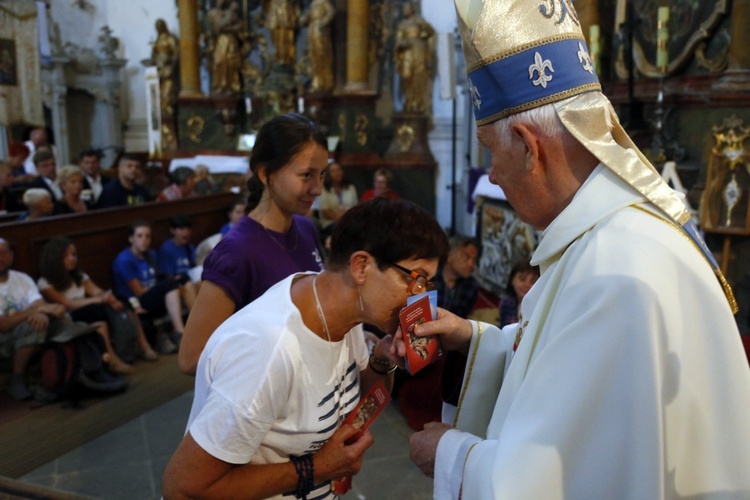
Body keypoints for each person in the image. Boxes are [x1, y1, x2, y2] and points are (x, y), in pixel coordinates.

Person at [406, 1, 750, 497]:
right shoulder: (612, 240)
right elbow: (576, 381)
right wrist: (477, 341)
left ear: (528, 144)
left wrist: (450, 455)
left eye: (491, 151)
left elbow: (560, 478)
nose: (494, 174)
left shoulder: (614, 269)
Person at [162, 198, 450, 498]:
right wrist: (317, 469)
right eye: (414, 279)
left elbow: (357, 400)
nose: (419, 299)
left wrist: (383, 359)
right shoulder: (268, 351)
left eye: (427, 284)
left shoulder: (343, 312)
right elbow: (183, 488)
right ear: (361, 266)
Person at [179, 113, 327, 375]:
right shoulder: (237, 251)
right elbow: (192, 358)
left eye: (322, 175)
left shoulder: (305, 228)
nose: (318, 188)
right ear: (266, 174)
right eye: (306, 175)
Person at [37, 238, 159, 374]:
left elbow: (96, 291)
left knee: (124, 300)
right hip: (69, 316)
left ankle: (144, 346)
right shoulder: (45, 283)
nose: (72, 259)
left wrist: (108, 297)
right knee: (96, 313)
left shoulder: (79, 276)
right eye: (66, 256)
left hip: (89, 307)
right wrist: (99, 300)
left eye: (74, 254)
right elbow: (67, 303)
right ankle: (112, 360)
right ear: (55, 258)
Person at [397, 235, 479, 430]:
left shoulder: (471, 286)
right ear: (450, 255)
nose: (471, 265)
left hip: (448, 343)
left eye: (474, 260)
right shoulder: (429, 280)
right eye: (466, 257)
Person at [0, 238, 67, 401]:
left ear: (11, 255)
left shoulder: (22, 279)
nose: (0, 258)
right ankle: (18, 378)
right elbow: (3, 325)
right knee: (33, 326)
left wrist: (42, 312)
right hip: (4, 340)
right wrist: (35, 311)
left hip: (26, 330)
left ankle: (71, 370)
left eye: (3, 253)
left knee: (59, 318)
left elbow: (40, 304)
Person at [112, 220, 185, 355]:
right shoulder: (124, 260)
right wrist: (162, 293)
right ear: (131, 238)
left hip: (152, 296)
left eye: (147, 236)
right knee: (170, 285)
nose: (144, 240)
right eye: (139, 236)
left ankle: (184, 331)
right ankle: (180, 332)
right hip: (136, 303)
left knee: (181, 282)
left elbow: (157, 279)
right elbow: (139, 291)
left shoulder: (151, 254)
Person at [394, 2, 435, 113]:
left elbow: (430, 32)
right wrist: (403, 44)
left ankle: (417, 103)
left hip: (419, 51)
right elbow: (398, 42)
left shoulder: (419, 21)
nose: (405, 10)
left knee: (419, 75)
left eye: (407, 8)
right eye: (404, 9)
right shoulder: (402, 25)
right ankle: (408, 101)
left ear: (412, 9)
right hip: (407, 53)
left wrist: (422, 35)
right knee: (407, 76)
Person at [158, 215, 199, 309]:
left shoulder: (190, 247)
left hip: (191, 282)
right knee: (188, 285)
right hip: (178, 286)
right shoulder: (167, 249)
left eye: (188, 229)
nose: (186, 232)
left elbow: (194, 268)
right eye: (181, 229)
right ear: (172, 230)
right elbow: (168, 276)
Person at [206, 0, 243, 95]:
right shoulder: (212, 13)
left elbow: (240, 26)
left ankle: (229, 87)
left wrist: (229, 26)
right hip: (220, 41)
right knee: (219, 61)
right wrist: (229, 25)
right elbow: (216, 27)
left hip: (231, 40)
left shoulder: (230, 13)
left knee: (230, 63)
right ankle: (219, 85)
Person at [150, 19, 179, 117]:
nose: (159, 28)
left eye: (160, 26)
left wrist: (171, 63)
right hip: (159, 69)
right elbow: (154, 55)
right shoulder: (157, 41)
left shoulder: (170, 39)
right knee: (158, 90)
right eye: (157, 27)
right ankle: (162, 107)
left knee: (168, 88)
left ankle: (167, 106)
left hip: (168, 68)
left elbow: (176, 53)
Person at [305, 0, 336, 92]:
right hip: (312, 27)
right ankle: (316, 80)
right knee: (313, 55)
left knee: (322, 53)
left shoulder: (324, 1)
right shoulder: (313, 4)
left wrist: (323, 22)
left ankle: (325, 81)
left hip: (320, 28)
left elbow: (332, 12)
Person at [318, 161, 358, 232]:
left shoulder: (351, 188)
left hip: (349, 221)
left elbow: (355, 207)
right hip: (330, 222)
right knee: (343, 228)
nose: (337, 173)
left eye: (339, 169)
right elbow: (325, 212)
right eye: (334, 171)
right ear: (329, 174)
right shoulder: (324, 190)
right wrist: (340, 218)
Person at [498, 259, 539, 327]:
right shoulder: (506, 302)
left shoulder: (539, 307)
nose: (527, 284)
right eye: (522, 278)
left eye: (533, 281)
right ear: (512, 280)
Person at [266, 0, 300, 66]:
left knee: (285, 38)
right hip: (276, 12)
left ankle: (286, 58)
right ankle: (279, 56)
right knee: (277, 38)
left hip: (286, 13)